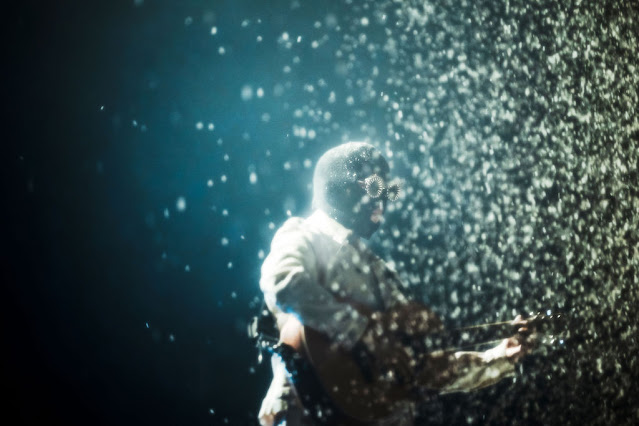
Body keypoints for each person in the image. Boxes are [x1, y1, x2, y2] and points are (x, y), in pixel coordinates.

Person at [257, 142, 532, 426]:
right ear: (340, 188)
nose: (383, 201)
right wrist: (362, 333)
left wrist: (499, 358)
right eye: (375, 187)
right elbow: (283, 282)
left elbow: (416, 367)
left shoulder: (377, 271)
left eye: (391, 191)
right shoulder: (305, 235)